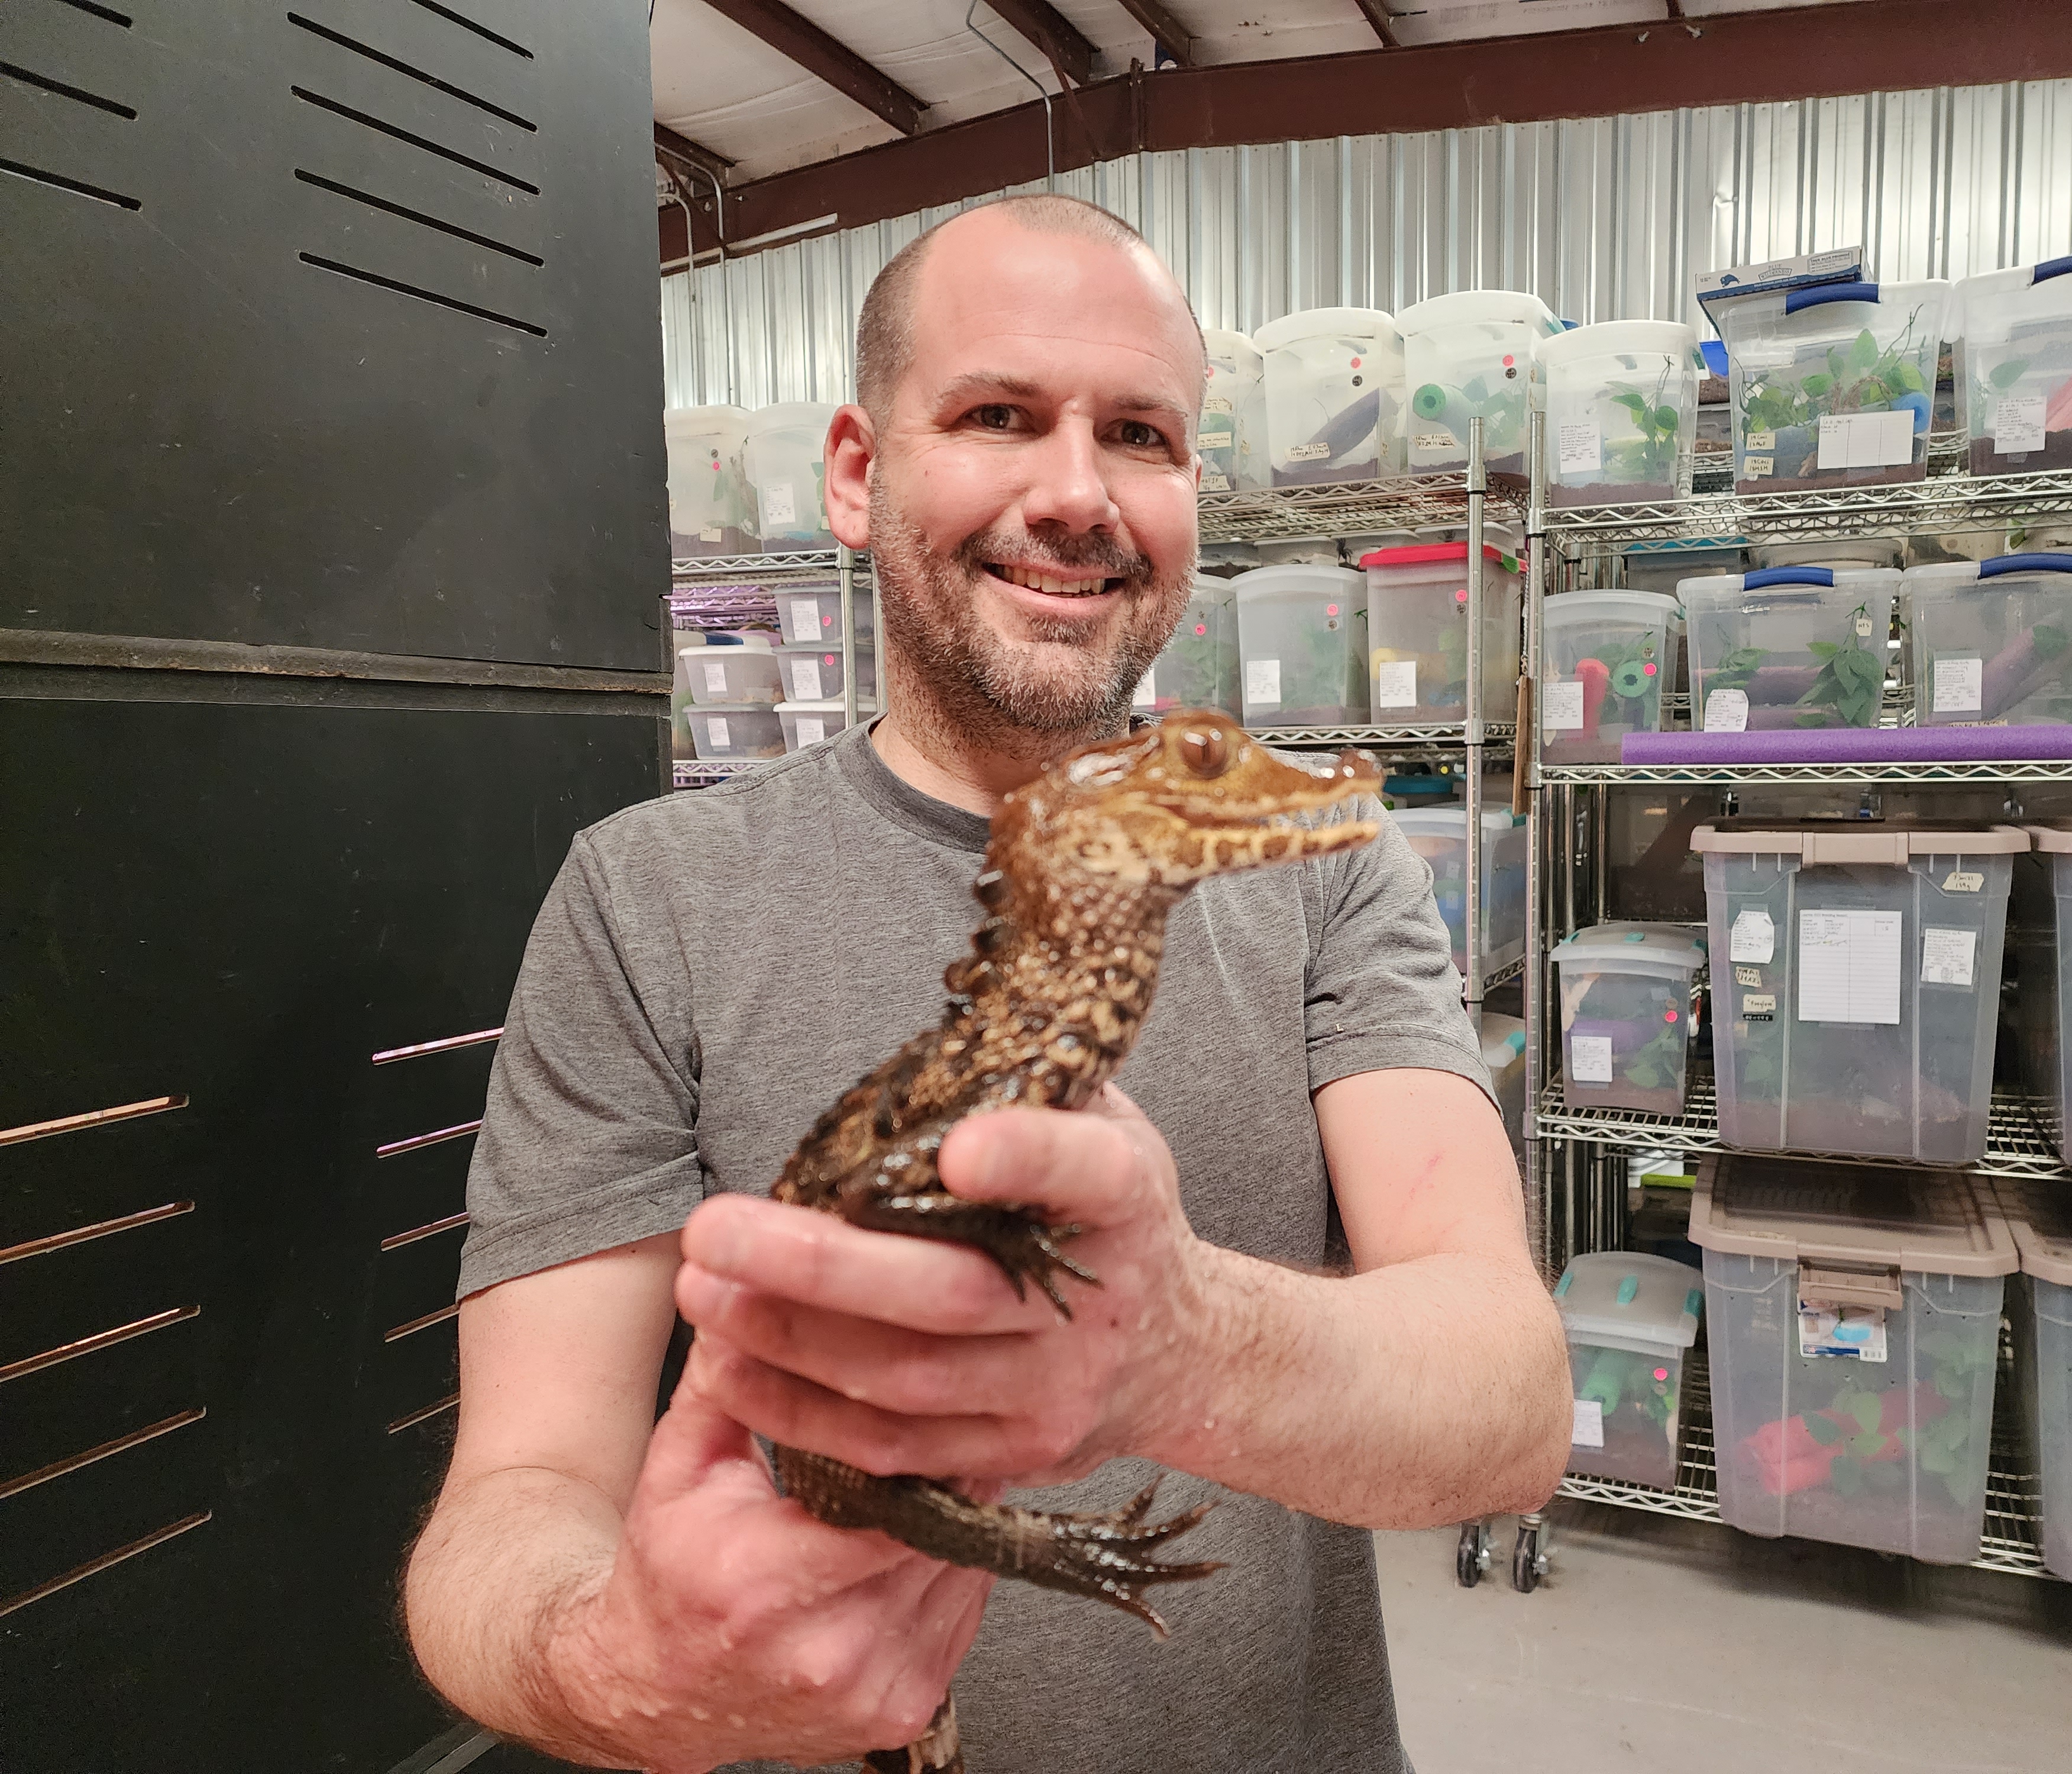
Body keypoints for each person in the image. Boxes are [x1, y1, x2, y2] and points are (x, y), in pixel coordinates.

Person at [402, 193, 1569, 1774]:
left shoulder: (1330, 868)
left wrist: (1178, 1344)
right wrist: (615, 1661)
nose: (1077, 493)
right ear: (858, 471)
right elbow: (510, 1508)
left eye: (1142, 436)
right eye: (1000, 415)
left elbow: (1507, 1400)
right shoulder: (646, 897)